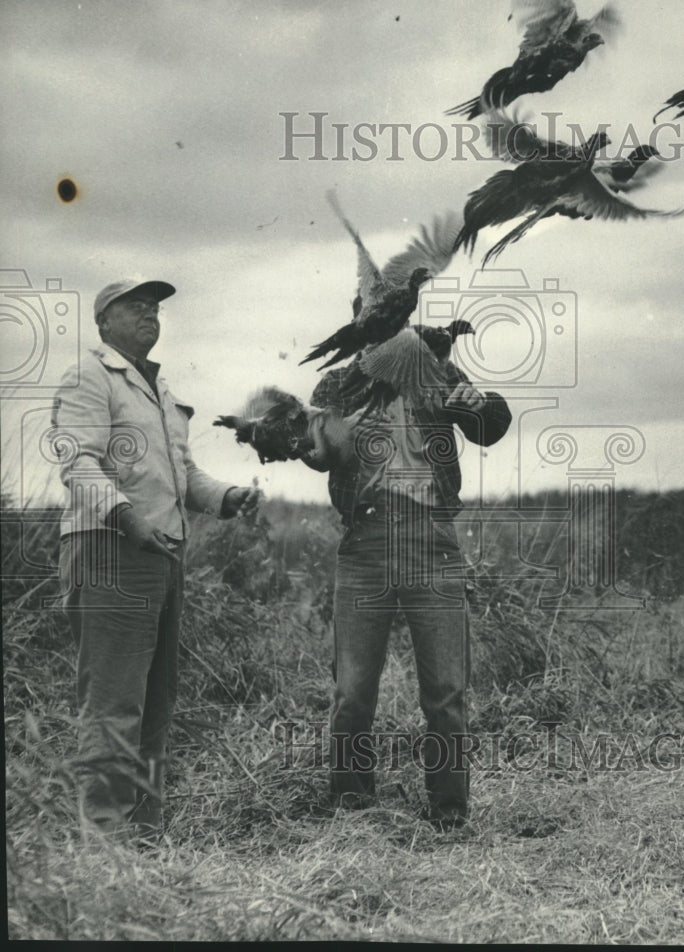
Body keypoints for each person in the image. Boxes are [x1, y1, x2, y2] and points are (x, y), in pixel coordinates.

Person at [52, 277, 259, 843]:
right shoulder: (89, 375)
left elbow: (183, 474)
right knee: (115, 702)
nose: (150, 315)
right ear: (104, 321)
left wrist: (225, 497)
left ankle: (141, 841)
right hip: (110, 550)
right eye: (135, 307)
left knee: (154, 702)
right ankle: (104, 846)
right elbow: (78, 464)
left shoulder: (159, 387)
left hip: (160, 553)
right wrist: (127, 519)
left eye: (155, 308)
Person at [302, 352, 512, 829]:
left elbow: (490, 425)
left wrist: (482, 405)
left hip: (431, 539)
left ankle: (450, 816)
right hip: (365, 542)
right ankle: (353, 812)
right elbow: (315, 454)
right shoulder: (336, 384)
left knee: (445, 691)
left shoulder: (436, 372)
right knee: (352, 692)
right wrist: (314, 441)